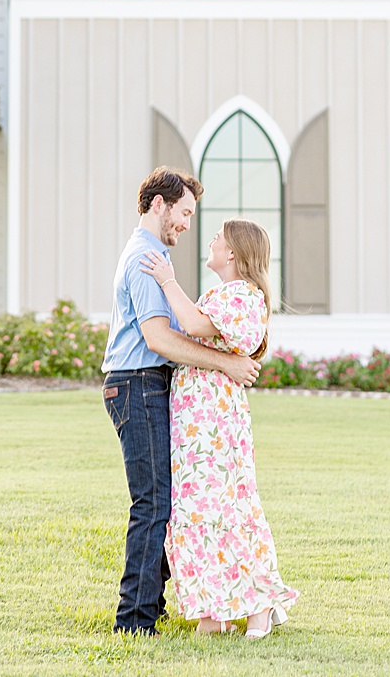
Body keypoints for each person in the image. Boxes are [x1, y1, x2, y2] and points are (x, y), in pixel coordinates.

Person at [101, 168, 260, 636]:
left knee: (167, 503)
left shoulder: (156, 259)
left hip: (149, 385)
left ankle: (153, 604)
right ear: (158, 205)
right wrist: (225, 364)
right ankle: (134, 621)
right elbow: (160, 338)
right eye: (185, 212)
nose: (188, 224)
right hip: (139, 383)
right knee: (152, 505)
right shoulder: (146, 259)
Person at [139, 218, 298, 638]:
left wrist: (168, 281)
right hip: (197, 419)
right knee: (198, 512)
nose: (209, 241)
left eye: (217, 238)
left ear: (233, 253)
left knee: (227, 509)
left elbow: (191, 326)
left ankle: (260, 603)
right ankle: (215, 610)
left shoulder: (245, 296)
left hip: (214, 421)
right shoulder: (225, 294)